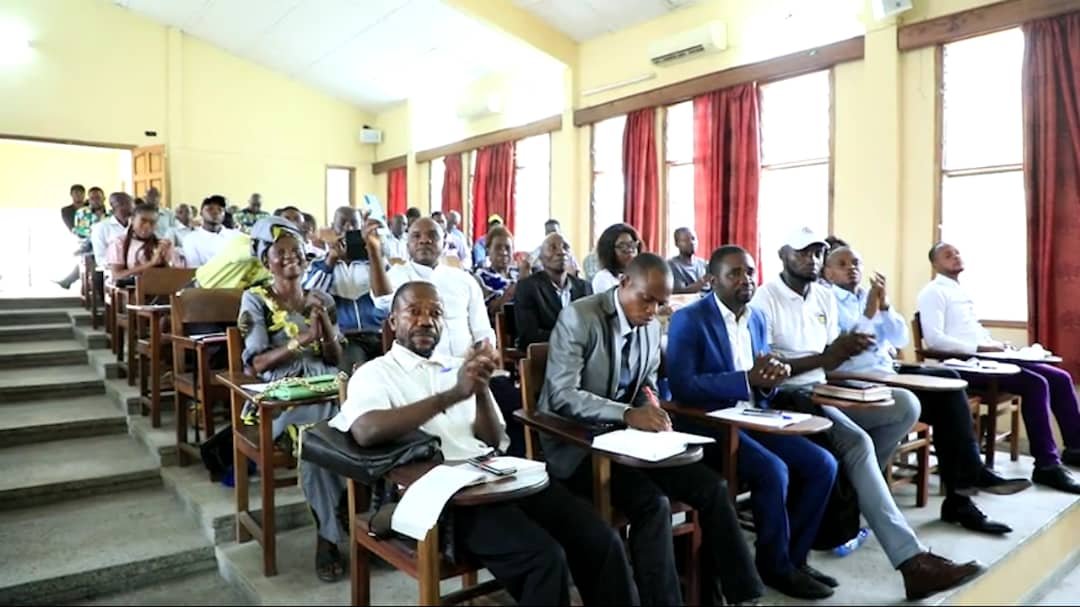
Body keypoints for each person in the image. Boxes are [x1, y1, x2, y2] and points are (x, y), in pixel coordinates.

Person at [328, 281, 638, 605]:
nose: (425, 320)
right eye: (413, 312)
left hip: (493, 476)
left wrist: (479, 390)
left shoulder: (454, 367)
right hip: (438, 496)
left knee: (599, 538)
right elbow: (365, 430)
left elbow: (492, 439)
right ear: (393, 322)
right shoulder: (375, 373)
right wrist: (452, 395)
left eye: (435, 314)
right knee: (543, 559)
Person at [750, 227, 984, 601]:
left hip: (825, 386)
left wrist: (848, 347)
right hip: (788, 395)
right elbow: (764, 370)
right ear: (783, 254)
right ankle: (911, 560)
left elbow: (837, 351)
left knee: (906, 404)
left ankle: (852, 494)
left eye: (816, 253)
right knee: (856, 442)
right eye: (803, 253)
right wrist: (830, 358)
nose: (811, 260)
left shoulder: (822, 297)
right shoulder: (765, 299)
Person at [539, 253, 764, 606]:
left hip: (632, 443)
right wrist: (628, 414)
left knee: (713, 488)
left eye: (660, 303)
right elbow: (562, 395)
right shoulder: (580, 317)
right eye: (646, 299)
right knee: (653, 504)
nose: (651, 310)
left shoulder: (651, 324)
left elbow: (647, 382)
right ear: (624, 283)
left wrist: (650, 405)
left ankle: (739, 593)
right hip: (579, 443)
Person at [667, 245, 839, 599]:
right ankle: (774, 565)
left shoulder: (756, 317)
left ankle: (794, 558)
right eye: (735, 274)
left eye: (749, 272)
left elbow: (762, 381)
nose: (745, 280)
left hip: (753, 415)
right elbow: (683, 384)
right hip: (709, 422)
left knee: (823, 464)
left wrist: (771, 379)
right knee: (773, 470)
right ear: (713, 280)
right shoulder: (691, 319)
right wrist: (746, 379)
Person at [824, 244, 1030, 534]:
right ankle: (967, 488)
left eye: (855, 262)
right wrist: (870, 312)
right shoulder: (827, 300)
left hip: (887, 370)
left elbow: (898, 338)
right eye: (842, 264)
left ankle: (963, 494)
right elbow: (849, 348)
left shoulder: (867, 296)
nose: (851, 269)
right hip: (858, 379)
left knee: (949, 379)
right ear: (828, 271)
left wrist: (883, 306)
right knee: (945, 403)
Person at [918, 243, 1080, 493]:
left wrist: (997, 346)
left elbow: (971, 331)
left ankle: (1075, 448)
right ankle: (1047, 465)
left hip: (986, 357)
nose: (955, 257)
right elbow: (935, 340)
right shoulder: (933, 292)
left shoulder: (960, 291)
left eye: (957, 252)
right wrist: (981, 349)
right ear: (935, 264)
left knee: (1059, 377)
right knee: (1036, 383)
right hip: (961, 365)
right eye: (947, 255)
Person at [236, 218, 345, 581]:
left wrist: (323, 325)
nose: (290, 259)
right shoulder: (255, 299)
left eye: (296, 252)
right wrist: (300, 340)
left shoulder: (322, 299)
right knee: (321, 439)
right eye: (280, 253)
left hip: (327, 386)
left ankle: (353, 516)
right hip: (278, 399)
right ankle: (328, 537)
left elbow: (333, 358)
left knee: (362, 426)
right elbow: (254, 365)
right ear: (266, 260)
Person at [371, 217, 493, 358]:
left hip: (465, 367)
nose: (424, 240)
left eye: (432, 236)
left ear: (444, 242)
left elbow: (482, 331)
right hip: (419, 368)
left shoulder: (464, 279)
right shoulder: (396, 275)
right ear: (407, 244)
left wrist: (480, 359)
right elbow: (382, 300)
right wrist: (374, 250)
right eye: (416, 236)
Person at [302, 206, 391, 370]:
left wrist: (373, 253)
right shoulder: (319, 264)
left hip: (379, 332)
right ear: (332, 228)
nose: (348, 229)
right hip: (345, 337)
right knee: (354, 368)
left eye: (354, 224)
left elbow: (386, 299)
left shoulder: (376, 261)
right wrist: (331, 260)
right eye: (342, 224)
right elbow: (309, 295)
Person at [514, 232, 592, 350]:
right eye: (552, 248)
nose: (561, 252)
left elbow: (593, 327)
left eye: (565, 247)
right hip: (546, 356)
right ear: (541, 258)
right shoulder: (527, 288)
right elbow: (529, 335)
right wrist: (571, 338)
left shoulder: (584, 287)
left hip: (583, 355)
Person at [105, 202, 185, 285]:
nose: (147, 226)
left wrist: (167, 258)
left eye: (152, 222)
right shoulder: (119, 243)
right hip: (130, 293)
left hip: (159, 290)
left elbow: (176, 275)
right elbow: (117, 275)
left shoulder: (161, 244)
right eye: (143, 221)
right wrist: (150, 263)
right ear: (132, 220)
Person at [473, 226, 529, 317]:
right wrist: (521, 283)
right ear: (488, 252)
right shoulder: (480, 278)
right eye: (498, 248)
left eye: (507, 248)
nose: (504, 252)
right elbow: (492, 311)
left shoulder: (517, 273)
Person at [181, 195, 243, 268]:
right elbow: (194, 269)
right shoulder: (190, 239)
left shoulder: (237, 236)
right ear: (201, 213)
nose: (215, 212)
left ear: (224, 215)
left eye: (220, 209)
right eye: (210, 209)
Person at [90, 192, 135, 270]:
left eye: (132, 204)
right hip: (113, 273)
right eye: (128, 204)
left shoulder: (137, 225)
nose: (132, 207)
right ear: (115, 206)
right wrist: (121, 264)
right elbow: (101, 259)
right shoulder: (100, 228)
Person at [592, 223, 640, 293]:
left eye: (632, 245)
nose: (630, 250)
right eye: (623, 246)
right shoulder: (603, 278)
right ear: (609, 250)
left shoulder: (640, 276)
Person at [668, 227, 709, 294]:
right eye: (685, 240)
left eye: (693, 239)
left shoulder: (703, 264)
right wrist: (703, 281)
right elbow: (680, 292)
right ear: (676, 243)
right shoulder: (672, 265)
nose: (691, 243)